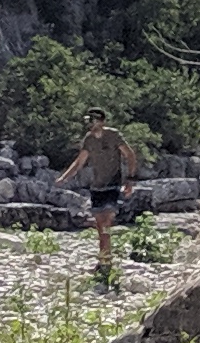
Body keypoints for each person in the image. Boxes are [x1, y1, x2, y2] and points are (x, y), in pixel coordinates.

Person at [59, 114, 140, 278]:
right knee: (99, 225)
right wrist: (65, 176)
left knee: (106, 223)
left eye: (94, 120)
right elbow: (80, 160)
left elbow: (130, 155)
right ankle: (104, 259)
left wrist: (130, 181)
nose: (90, 124)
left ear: (102, 121)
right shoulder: (88, 139)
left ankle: (105, 262)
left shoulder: (114, 135)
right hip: (97, 186)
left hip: (113, 185)